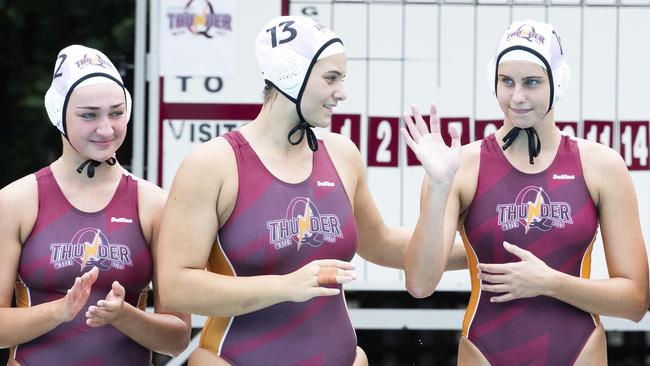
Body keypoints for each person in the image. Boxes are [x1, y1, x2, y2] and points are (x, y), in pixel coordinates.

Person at [155, 15, 461, 366]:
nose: (341, 92)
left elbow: (383, 245)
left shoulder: (342, 155)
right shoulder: (214, 164)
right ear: (291, 75)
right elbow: (177, 286)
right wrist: (285, 287)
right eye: (331, 78)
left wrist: (480, 251)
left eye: (342, 79)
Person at [403, 19, 649, 365]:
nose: (517, 97)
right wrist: (440, 188)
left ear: (558, 82)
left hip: (580, 352)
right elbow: (419, 284)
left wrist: (549, 282)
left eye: (532, 82)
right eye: (507, 82)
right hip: (484, 352)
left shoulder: (601, 166)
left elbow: (636, 301)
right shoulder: (461, 168)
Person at [0, 45, 191, 365]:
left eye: (117, 113)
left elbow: (177, 338)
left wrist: (125, 316)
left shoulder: (152, 203)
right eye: (89, 115)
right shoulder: (17, 201)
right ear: (58, 114)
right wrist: (59, 311)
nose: (106, 129)